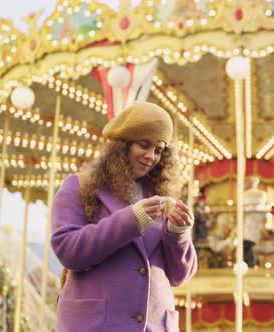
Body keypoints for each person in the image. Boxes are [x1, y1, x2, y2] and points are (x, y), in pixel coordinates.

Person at [51, 102, 197, 332]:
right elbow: (68, 250)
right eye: (144, 145)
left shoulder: (161, 196)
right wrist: (132, 220)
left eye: (158, 150)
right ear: (122, 145)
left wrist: (178, 234)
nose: (151, 156)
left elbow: (180, 276)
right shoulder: (78, 185)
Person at [242, 176, 268, 267]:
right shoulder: (262, 195)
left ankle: (251, 264)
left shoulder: (246, 195)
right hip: (254, 222)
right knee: (249, 244)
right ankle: (252, 263)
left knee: (248, 244)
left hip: (251, 223)